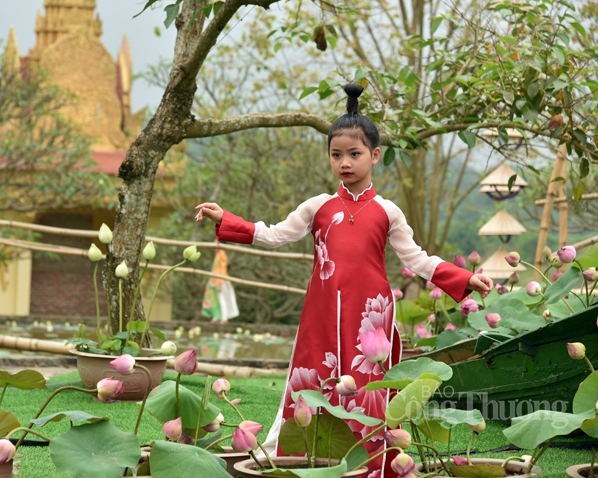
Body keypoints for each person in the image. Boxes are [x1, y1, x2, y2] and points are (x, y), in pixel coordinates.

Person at [194, 83, 493, 478]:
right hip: (321, 312)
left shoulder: (388, 212)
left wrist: (466, 279)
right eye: (337, 155)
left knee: (367, 389)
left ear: (375, 155)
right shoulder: (318, 207)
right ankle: (307, 462)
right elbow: (274, 234)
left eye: (354, 154)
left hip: (371, 318)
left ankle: (370, 466)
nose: (345, 163)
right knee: (312, 382)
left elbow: (416, 258)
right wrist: (225, 219)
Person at [201, 248, 240, 324]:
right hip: (215, 281)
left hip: (221, 281)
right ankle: (216, 317)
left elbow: (222, 270)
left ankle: (224, 318)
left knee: (222, 298)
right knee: (215, 299)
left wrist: (220, 282)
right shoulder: (218, 254)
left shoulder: (222, 254)